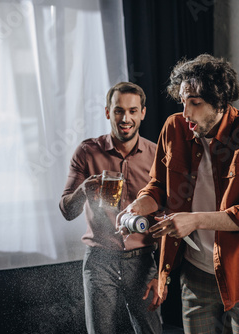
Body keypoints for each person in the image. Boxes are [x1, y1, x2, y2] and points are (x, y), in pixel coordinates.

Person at [120, 54, 239, 333]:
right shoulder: (174, 128)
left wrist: (195, 220)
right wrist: (138, 206)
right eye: (183, 102)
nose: (186, 113)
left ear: (219, 102)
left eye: (195, 103)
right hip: (195, 277)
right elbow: (158, 186)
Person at [59, 82, 162, 334]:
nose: (125, 118)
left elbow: (167, 216)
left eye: (132, 111)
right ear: (107, 112)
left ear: (143, 113)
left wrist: (162, 272)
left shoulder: (156, 155)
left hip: (143, 261)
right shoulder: (86, 152)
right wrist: (84, 189)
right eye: (118, 110)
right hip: (99, 260)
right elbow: (67, 211)